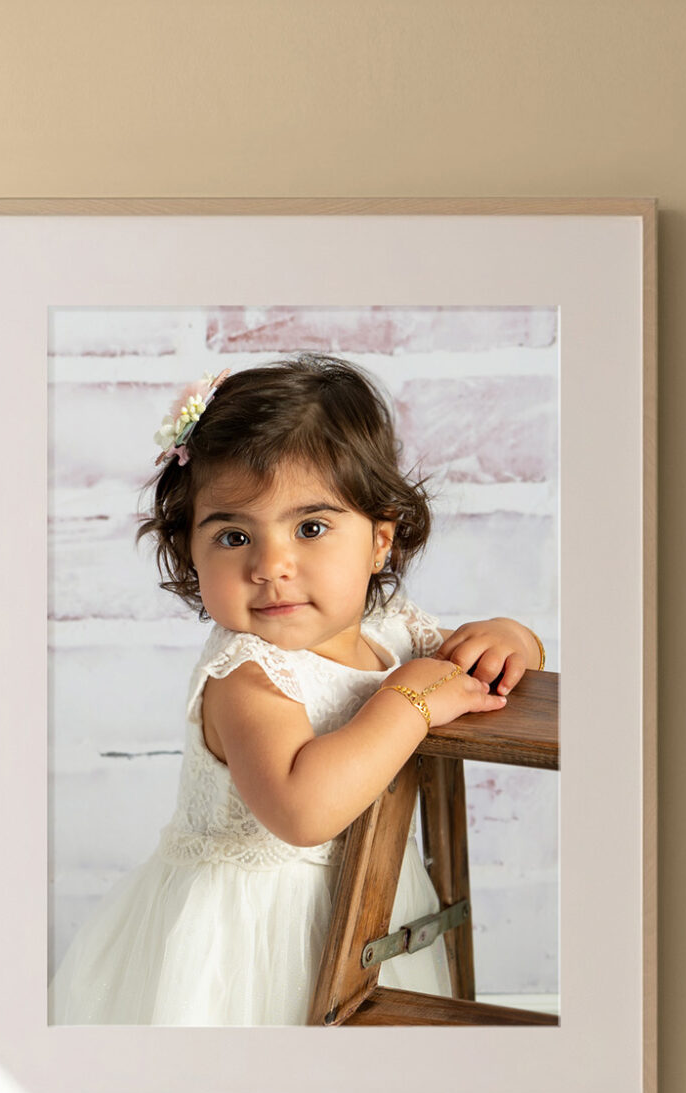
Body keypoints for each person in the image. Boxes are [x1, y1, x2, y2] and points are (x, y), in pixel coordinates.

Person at [50, 351, 545, 1025]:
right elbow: (302, 809)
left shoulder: (394, 634)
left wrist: (512, 637)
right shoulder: (246, 675)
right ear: (190, 550)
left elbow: (473, 665)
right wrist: (408, 701)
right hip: (254, 944)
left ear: (379, 540)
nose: (271, 565)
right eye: (233, 535)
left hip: (372, 917)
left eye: (311, 528)